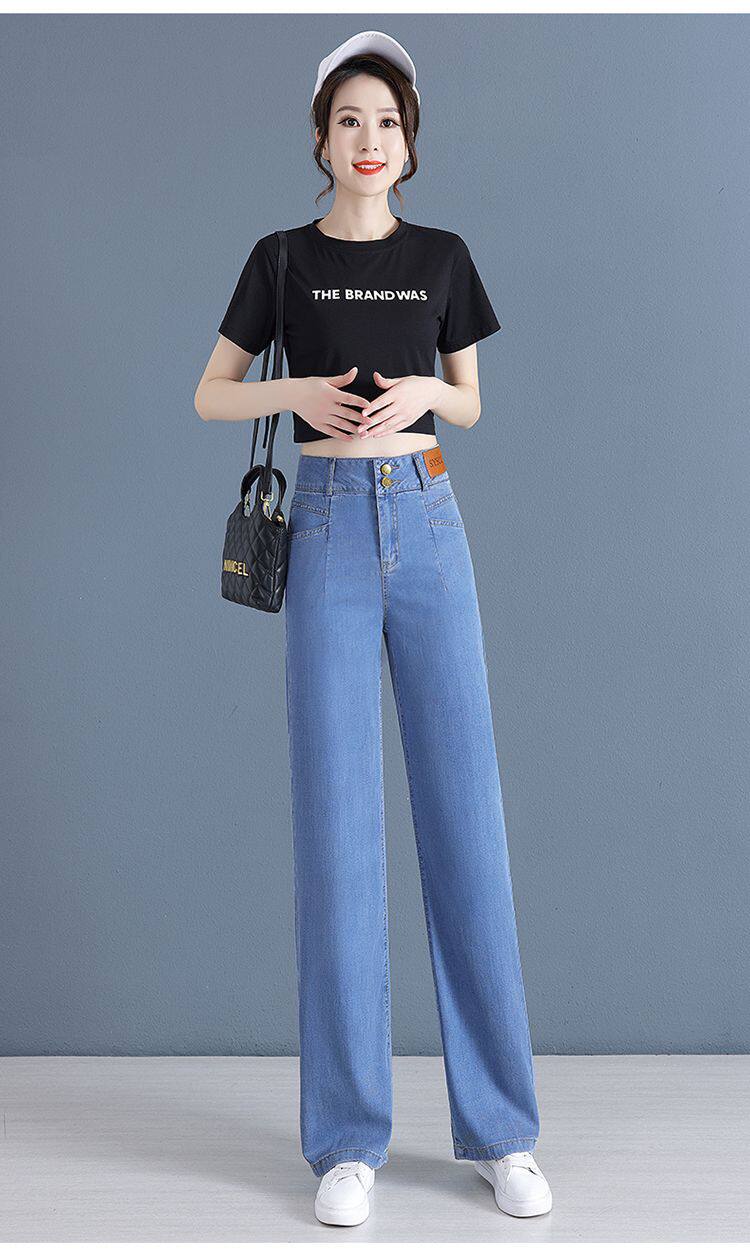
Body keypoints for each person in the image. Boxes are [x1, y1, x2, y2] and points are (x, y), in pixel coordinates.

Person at [195, 29, 553, 1228]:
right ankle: (347, 1141)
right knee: (340, 832)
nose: (369, 139)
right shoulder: (281, 259)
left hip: (430, 521)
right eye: (349, 119)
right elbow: (210, 391)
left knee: (468, 823)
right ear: (320, 138)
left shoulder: (443, 255)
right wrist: (298, 390)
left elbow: (472, 399)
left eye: (387, 122)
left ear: (408, 143)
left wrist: (426, 392)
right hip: (330, 527)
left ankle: (503, 1130)